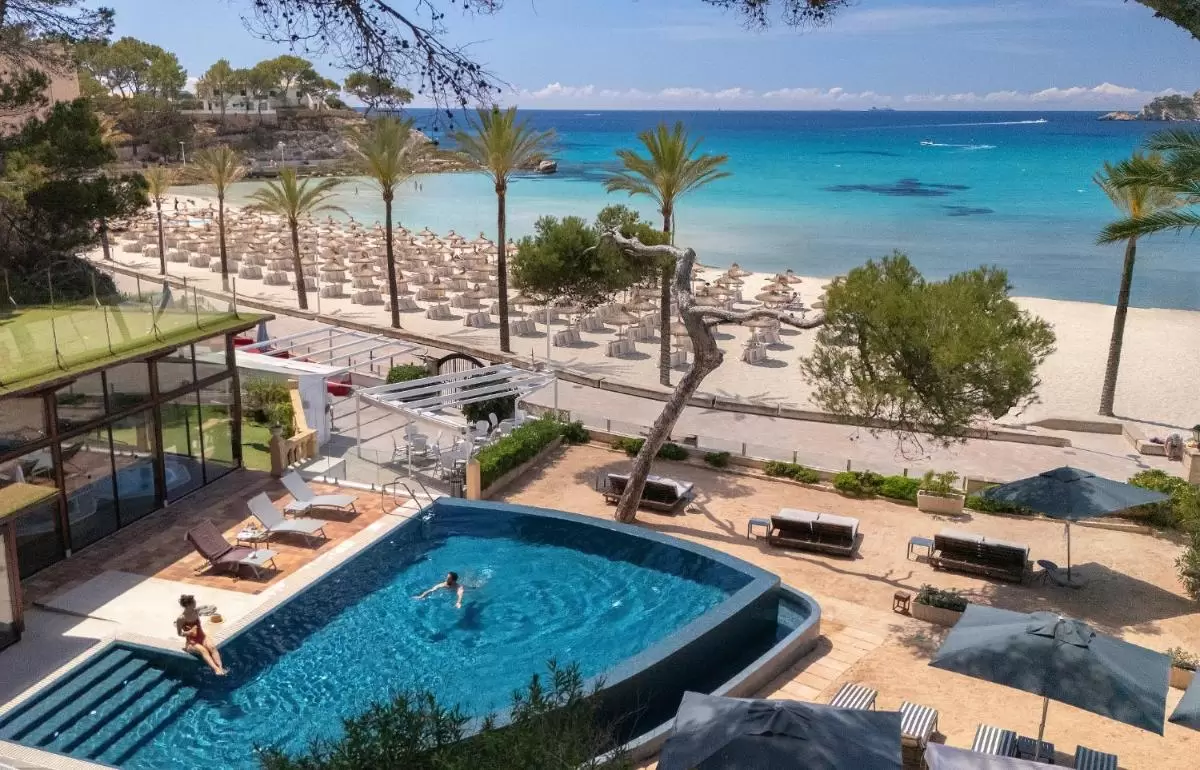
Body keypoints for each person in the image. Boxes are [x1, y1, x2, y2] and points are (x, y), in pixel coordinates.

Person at [175, 594, 226, 675]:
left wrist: (210, 608)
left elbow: (205, 608)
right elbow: (179, 633)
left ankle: (220, 667)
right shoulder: (181, 618)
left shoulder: (196, 611)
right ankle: (216, 669)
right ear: (188, 605)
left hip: (203, 637)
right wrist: (189, 632)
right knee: (204, 651)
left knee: (212, 647)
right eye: (194, 602)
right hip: (191, 642)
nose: (195, 603)